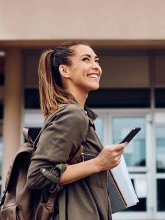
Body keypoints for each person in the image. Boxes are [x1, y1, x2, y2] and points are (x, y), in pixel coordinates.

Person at [27, 41, 126, 220]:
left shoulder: (78, 114)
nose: (95, 66)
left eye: (97, 60)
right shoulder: (71, 115)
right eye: (86, 59)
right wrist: (98, 163)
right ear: (65, 70)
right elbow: (37, 176)